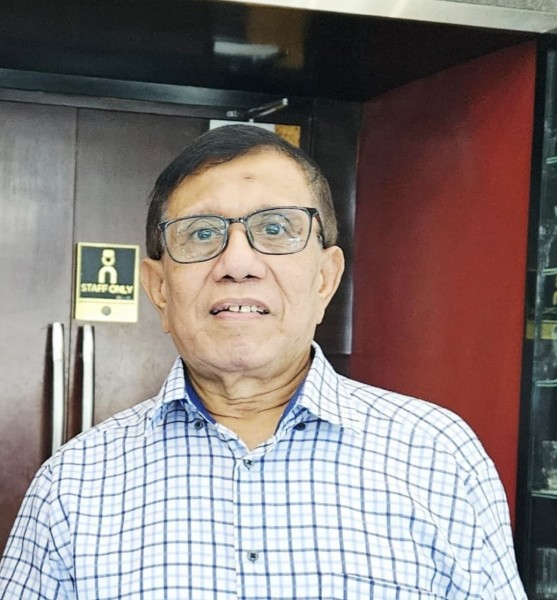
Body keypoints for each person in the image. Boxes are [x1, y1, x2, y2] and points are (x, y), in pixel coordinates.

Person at [0, 124, 526, 599]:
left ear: (325, 278)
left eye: (275, 229)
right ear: (158, 288)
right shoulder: (73, 484)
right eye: (202, 233)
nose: (237, 263)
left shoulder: (438, 458)